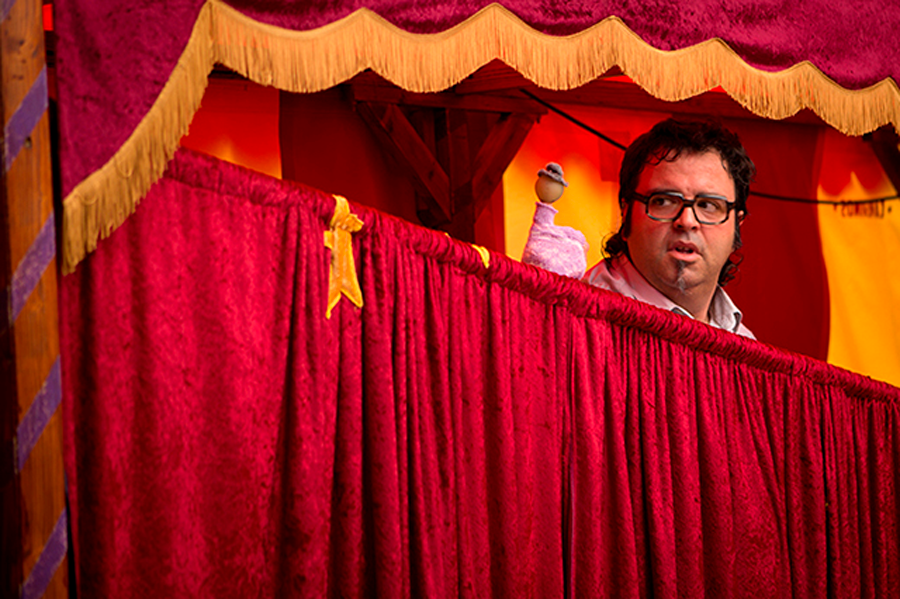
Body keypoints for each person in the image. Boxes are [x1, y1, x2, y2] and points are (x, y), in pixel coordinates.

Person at [522, 118, 756, 338]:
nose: (686, 221)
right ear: (626, 214)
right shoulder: (572, 320)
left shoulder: (748, 348)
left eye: (708, 205)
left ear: (737, 228)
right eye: (663, 201)